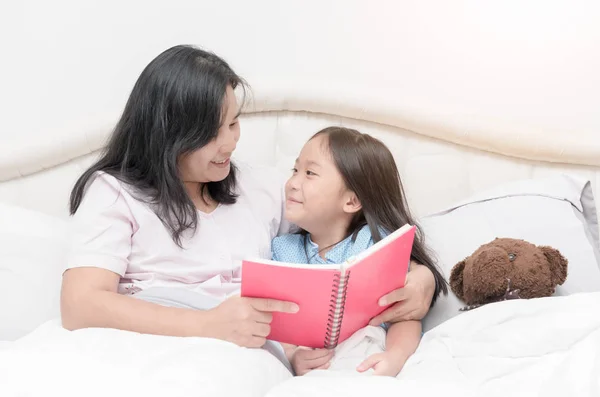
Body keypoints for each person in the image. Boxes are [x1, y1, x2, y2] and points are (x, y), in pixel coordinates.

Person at [60, 44, 442, 358]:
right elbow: (80, 305)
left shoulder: (261, 189)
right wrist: (207, 325)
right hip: (152, 345)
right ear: (170, 134)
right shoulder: (113, 193)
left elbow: (353, 232)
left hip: (248, 354)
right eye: (214, 131)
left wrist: (421, 280)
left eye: (234, 122)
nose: (231, 142)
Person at [271, 127, 447, 377]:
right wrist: (291, 356)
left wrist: (394, 358)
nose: (292, 184)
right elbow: (277, 323)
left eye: (309, 173)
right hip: (312, 367)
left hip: (364, 360)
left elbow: (403, 315)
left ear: (351, 201)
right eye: (295, 170)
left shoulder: (374, 245)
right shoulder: (282, 250)